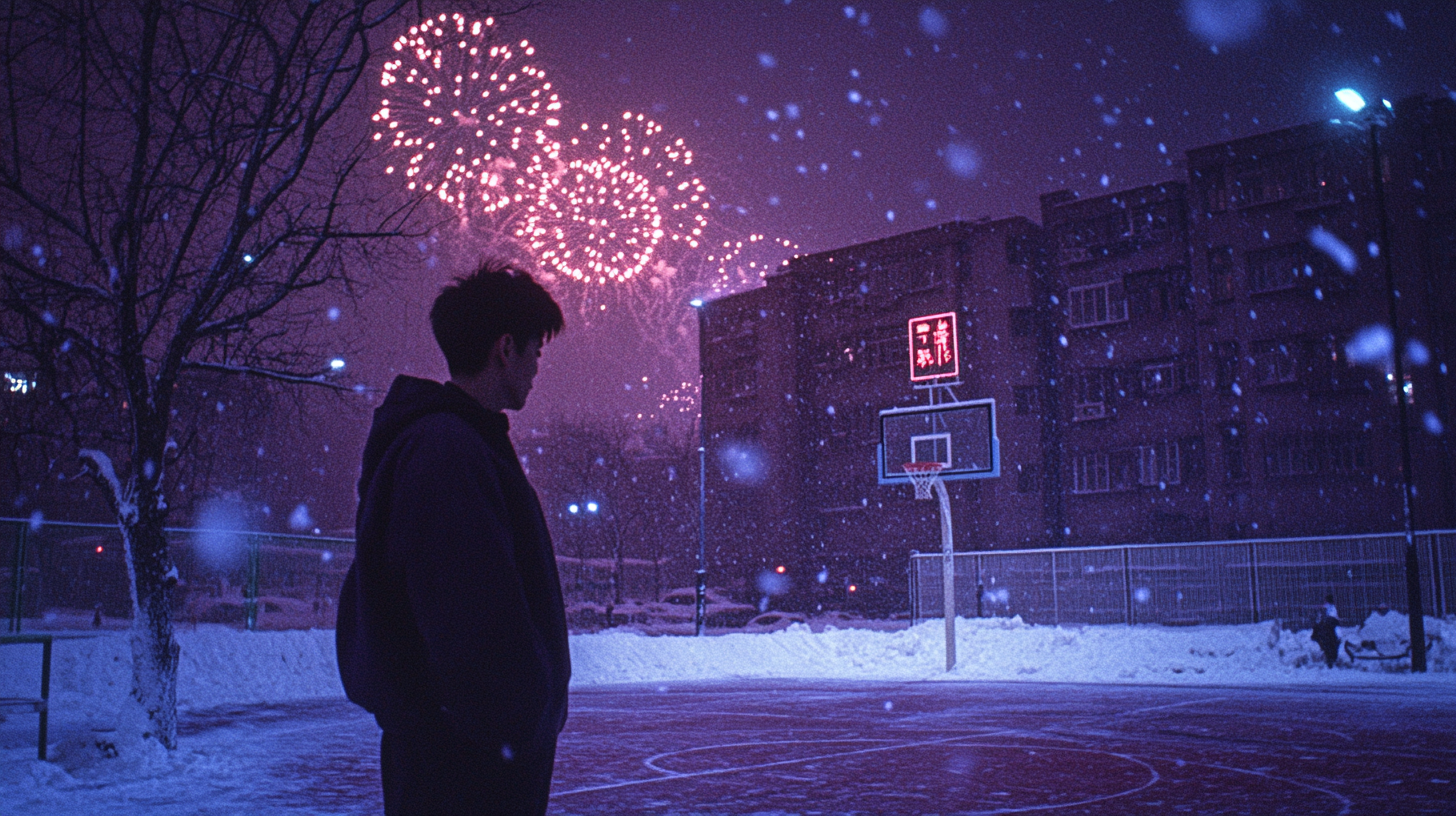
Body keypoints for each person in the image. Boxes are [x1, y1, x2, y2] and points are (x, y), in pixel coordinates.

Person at [337, 262, 570, 815]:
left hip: (456, 758)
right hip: (467, 774)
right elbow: (470, 615)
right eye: (536, 350)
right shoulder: (447, 450)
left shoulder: (452, 442)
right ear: (505, 348)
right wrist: (517, 720)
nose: (538, 367)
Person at [1311, 593, 1341, 669]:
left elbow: (1331, 618)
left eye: (1326, 601)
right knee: (1329, 644)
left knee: (1329, 644)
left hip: (1330, 628)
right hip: (1330, 629)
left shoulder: (1331, 609)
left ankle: (1330, 660)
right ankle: (1330, 659)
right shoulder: (1330, 608)